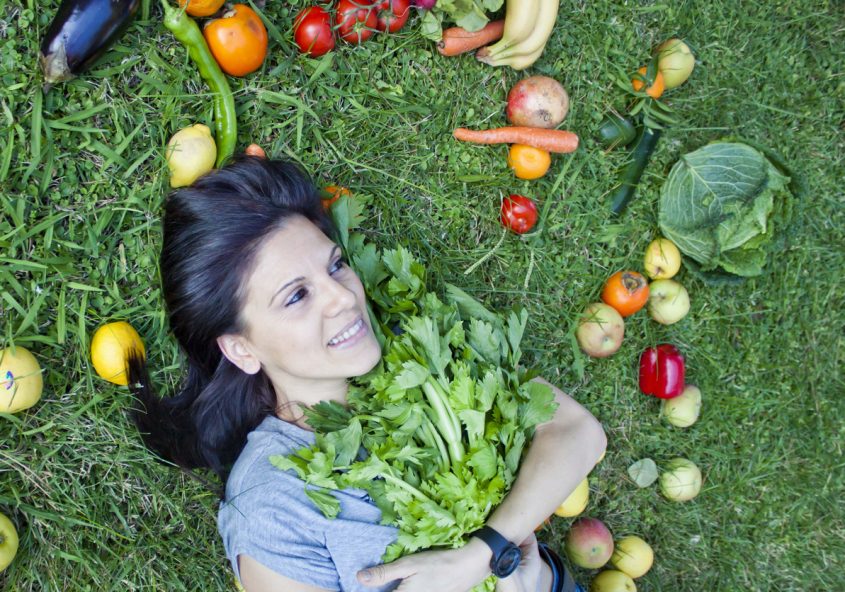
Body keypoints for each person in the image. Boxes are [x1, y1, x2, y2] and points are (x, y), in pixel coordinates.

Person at [128, 156, 605, 592]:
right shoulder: (271, 509)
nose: (344, 297)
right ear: (241, 348)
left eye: (335, 266)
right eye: (297, 296)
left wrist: (484, 553)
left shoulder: (417, 342)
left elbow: (577, 432)